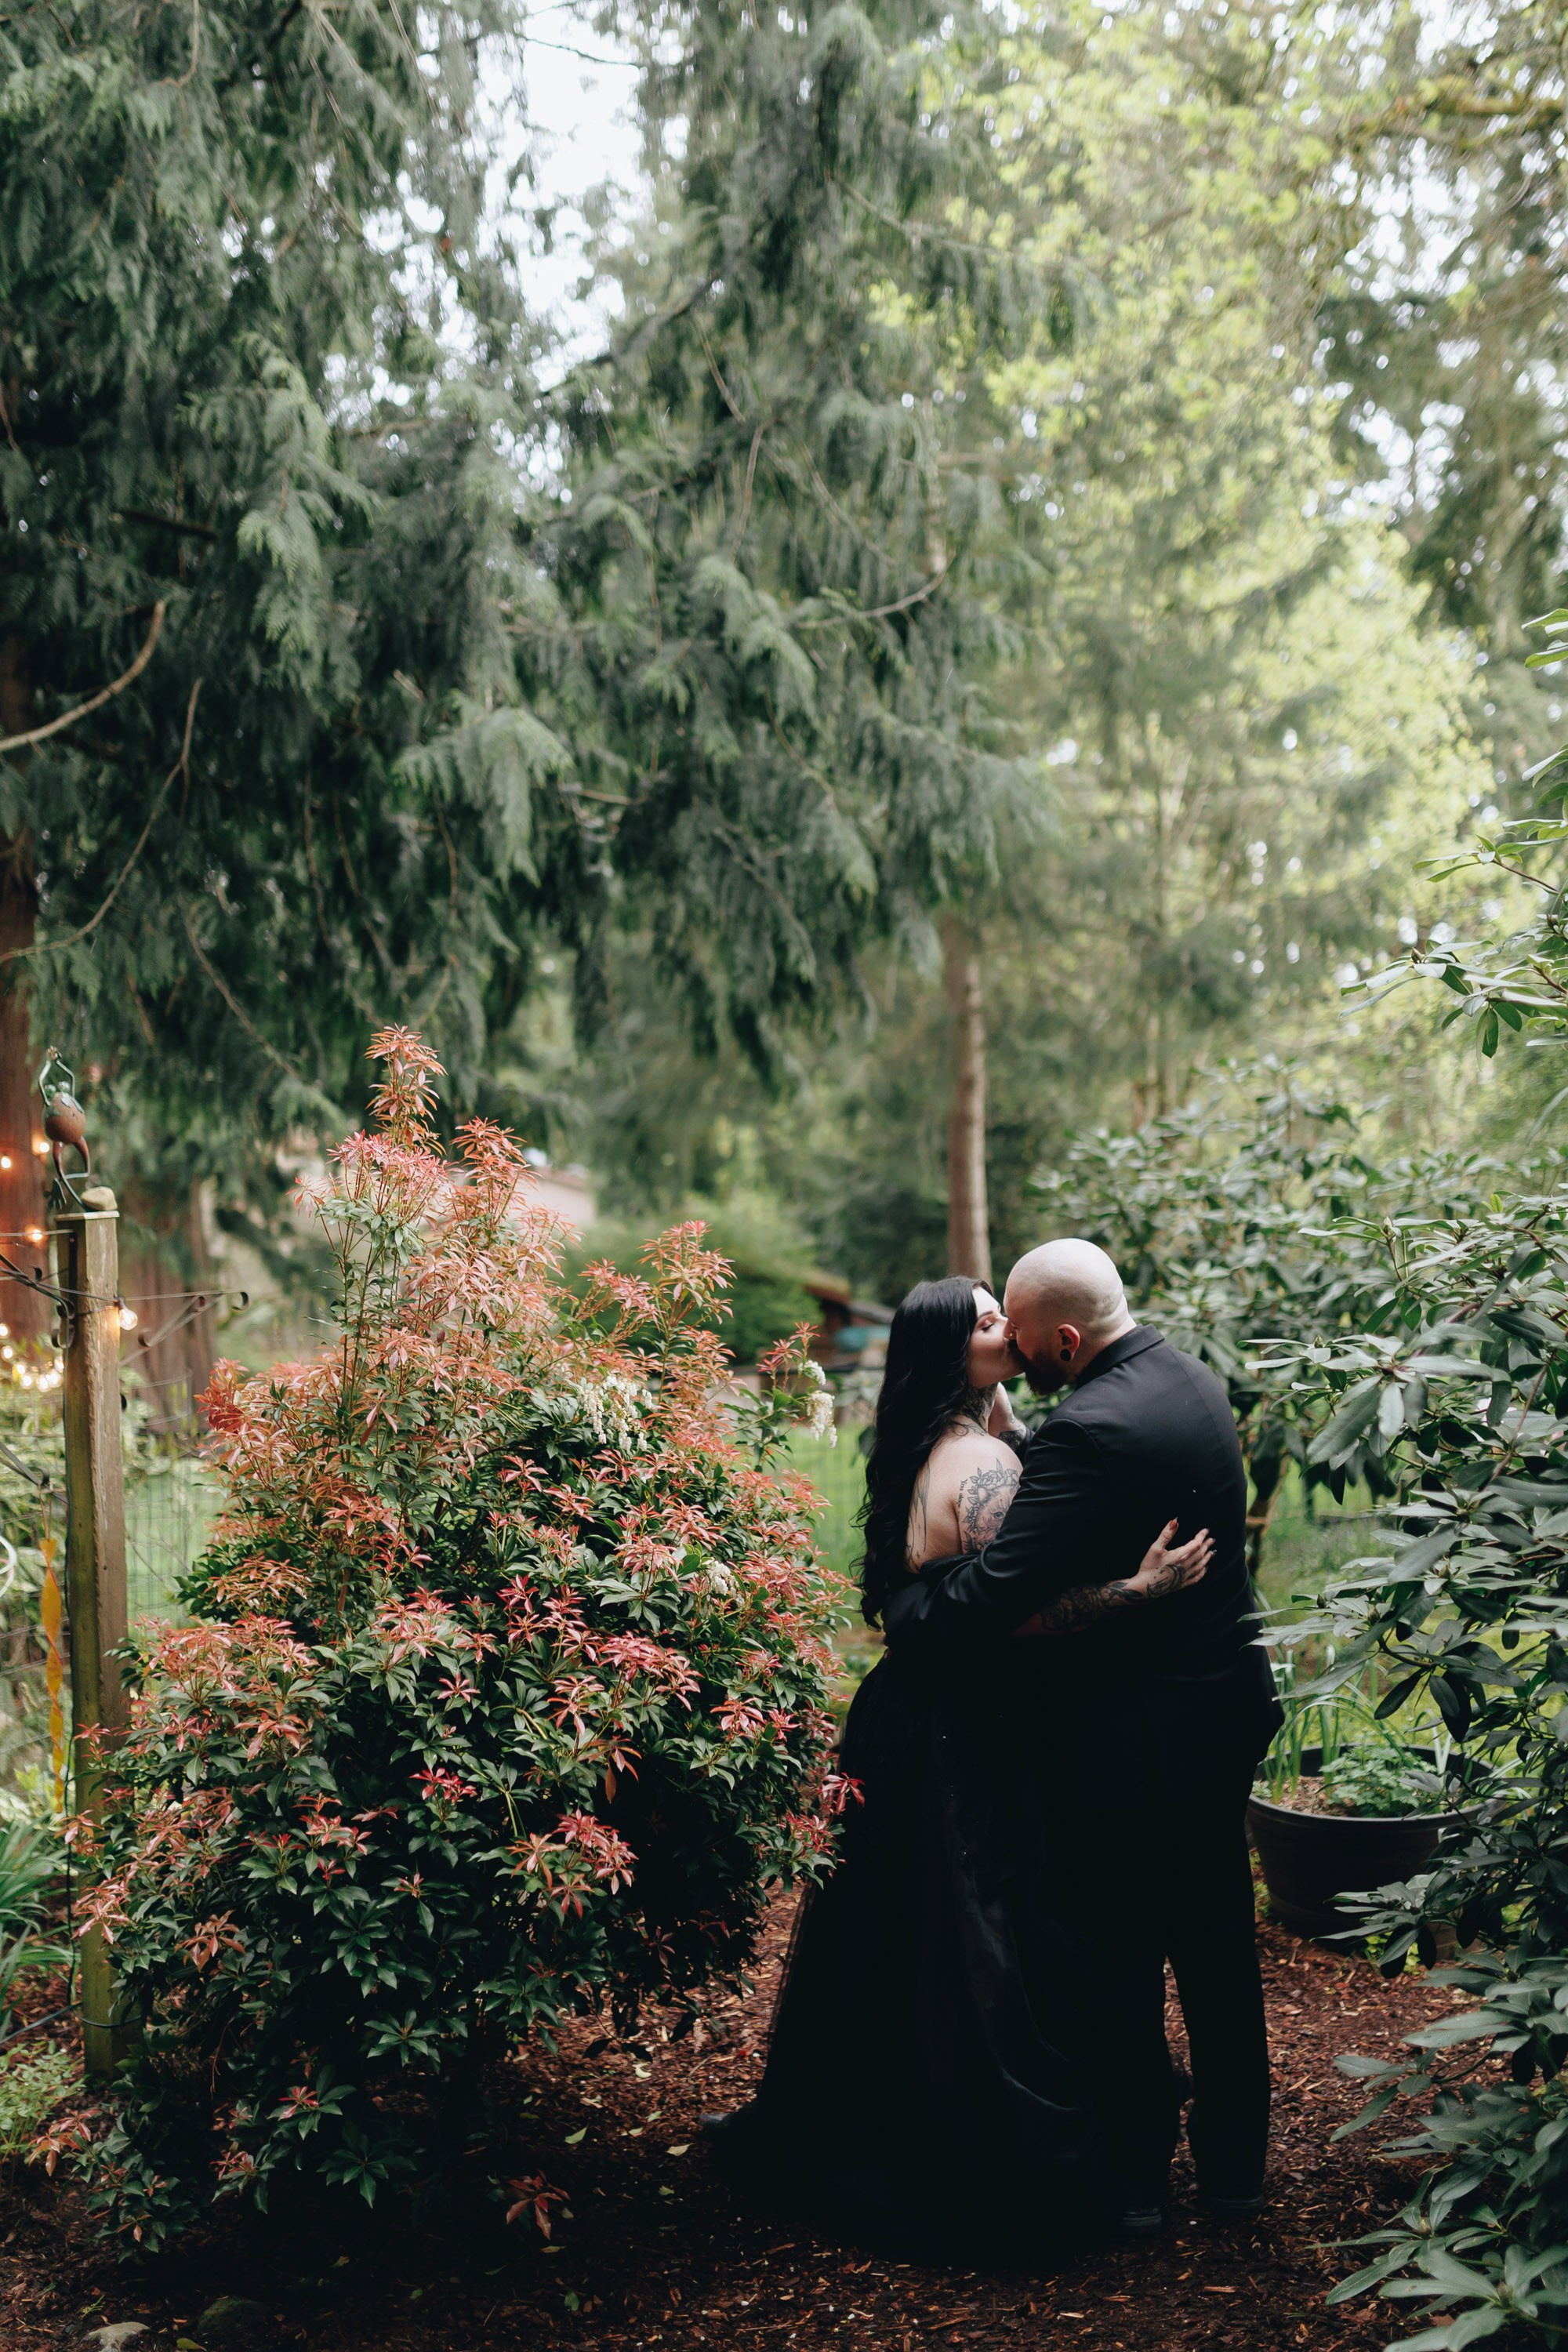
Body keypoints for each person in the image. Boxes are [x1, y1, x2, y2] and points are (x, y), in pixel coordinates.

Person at [702, 1274, 1213, 2256]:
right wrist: (1137, 1590)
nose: (1007, 1329)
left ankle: (874, 2113)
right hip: (963, 1725)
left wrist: (998, 1408)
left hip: (910, 1712)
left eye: (1005, 1313)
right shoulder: (976, 1462)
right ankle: (981, 2156)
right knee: (978, 1941)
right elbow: (1008, 1610)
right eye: (987, 1324)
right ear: (956, 1354)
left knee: (904, 1938)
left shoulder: (932, 1443)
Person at [881, 1240, 1283, 2236]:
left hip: (1136, 1736)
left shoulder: (1087, 1433)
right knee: (1220, 1942)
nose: (1010, 1347)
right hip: (1224, 1704)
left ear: (1063, 1338)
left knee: (1123, 1947)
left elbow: (985, 1594)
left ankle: (1138, 2178)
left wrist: (906, 1610)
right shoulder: (1187, 1377)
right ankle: (1235, 2173)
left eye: (1017, 1332)